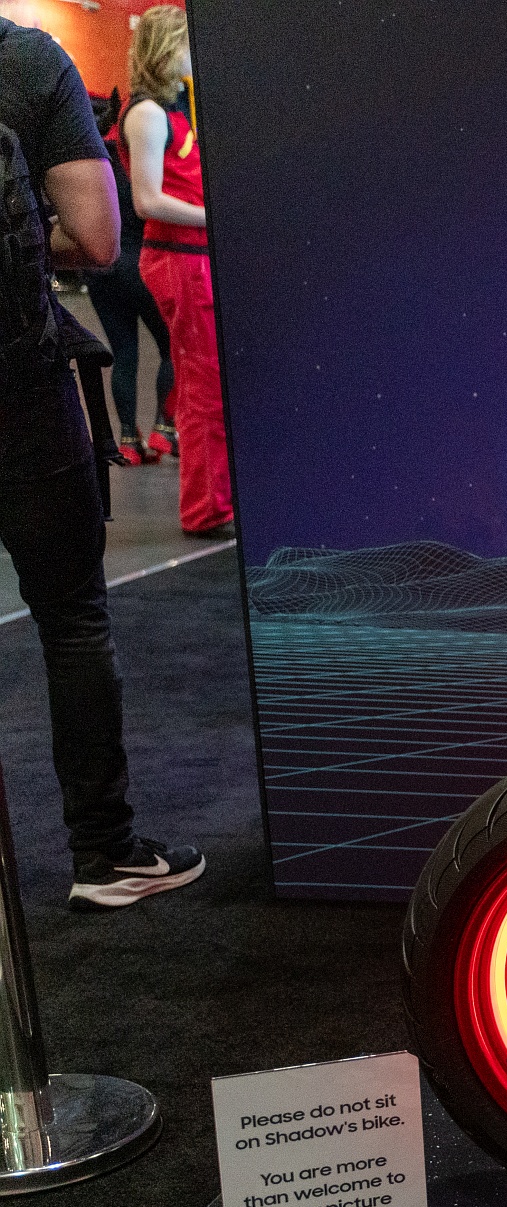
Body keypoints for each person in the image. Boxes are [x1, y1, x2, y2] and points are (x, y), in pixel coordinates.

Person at [0, 12, 204, 907]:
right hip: (19, 388)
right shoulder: (25, 61)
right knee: (73, 621)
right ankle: (106, 853)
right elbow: (96, 237)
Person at [122, 5, 231, 538]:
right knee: (203, 383)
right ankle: (206, 509)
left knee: (208, 381)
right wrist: (216, 216)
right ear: (168, 49)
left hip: (194, 257)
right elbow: (146, 200)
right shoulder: (147, 114)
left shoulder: (175, 112)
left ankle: (216, 502)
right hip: (180, 259)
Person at [83, 89, 177, 464]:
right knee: (171, 346)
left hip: (102, 272)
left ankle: (127, 441)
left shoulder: (89, 161)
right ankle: (163, 429)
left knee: (124, 353)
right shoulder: (135, 152)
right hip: (141, 264)